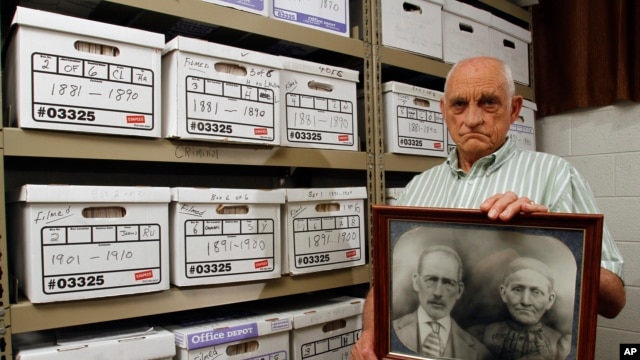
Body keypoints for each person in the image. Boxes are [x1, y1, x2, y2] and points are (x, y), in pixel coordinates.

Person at [350, 56, 626, 360]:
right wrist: (370, 332)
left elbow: (614, 302)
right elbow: (385, 284)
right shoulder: (418, 188)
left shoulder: (556, 175)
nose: (471, 119)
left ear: (515, 109)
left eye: (488, 103)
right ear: (444, 111)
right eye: (458, 105)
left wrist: (554, 236)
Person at [393, 246, 492, 359]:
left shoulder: (480, 353)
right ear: (416, 282)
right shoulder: (388, 333)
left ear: (459, 291)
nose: (438, 292)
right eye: (430, 280)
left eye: (448, 283)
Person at [468, 257, 571, 360]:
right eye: (517, 290)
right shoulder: (480, 336)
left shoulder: (562, 345)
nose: (525, 301)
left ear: (550, 300)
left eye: (536, 292)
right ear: (504, 293)